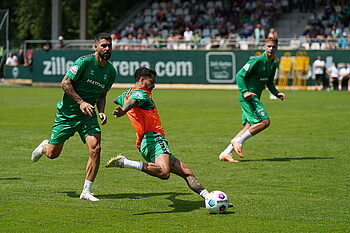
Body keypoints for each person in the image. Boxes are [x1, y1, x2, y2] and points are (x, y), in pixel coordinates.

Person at [31, 32, 117, 201]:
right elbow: (65, 83)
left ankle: (86, 191)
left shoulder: (111, 71)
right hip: (67, 114)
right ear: (96, 47)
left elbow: (102, 95)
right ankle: (44, 146)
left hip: (88, 115)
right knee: (53, 154)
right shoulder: (84, 62)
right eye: (104, 45)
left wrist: (101, 111)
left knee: (96, 148)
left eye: (110, 46)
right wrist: (81, 102)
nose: (107, 49)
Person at [105, 67, 210, 200]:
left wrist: (123, 105)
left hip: (145, 142)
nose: (154, 85)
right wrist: (124, 110)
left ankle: (209, 198)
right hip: (153, 138)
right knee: (164, 172)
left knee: (186, 172)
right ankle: (125, 162)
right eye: (152, 82)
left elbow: (117, 99)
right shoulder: (142, 93)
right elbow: (133, 102)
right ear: (142, 80)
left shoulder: (127, 94)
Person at [219, 37, 285, 162]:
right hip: (249, 97)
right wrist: (244, 92)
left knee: (248, 126)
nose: (271, 49)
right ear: (264, 47)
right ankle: (238, 141)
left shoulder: (273, 63)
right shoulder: (257, 60)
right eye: (269, 46)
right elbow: (239, 75)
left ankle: (226, 153)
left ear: (277, 48)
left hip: (254, 97)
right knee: (265, 122)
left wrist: (276, 93)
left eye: (274, 47)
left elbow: (269, 82)